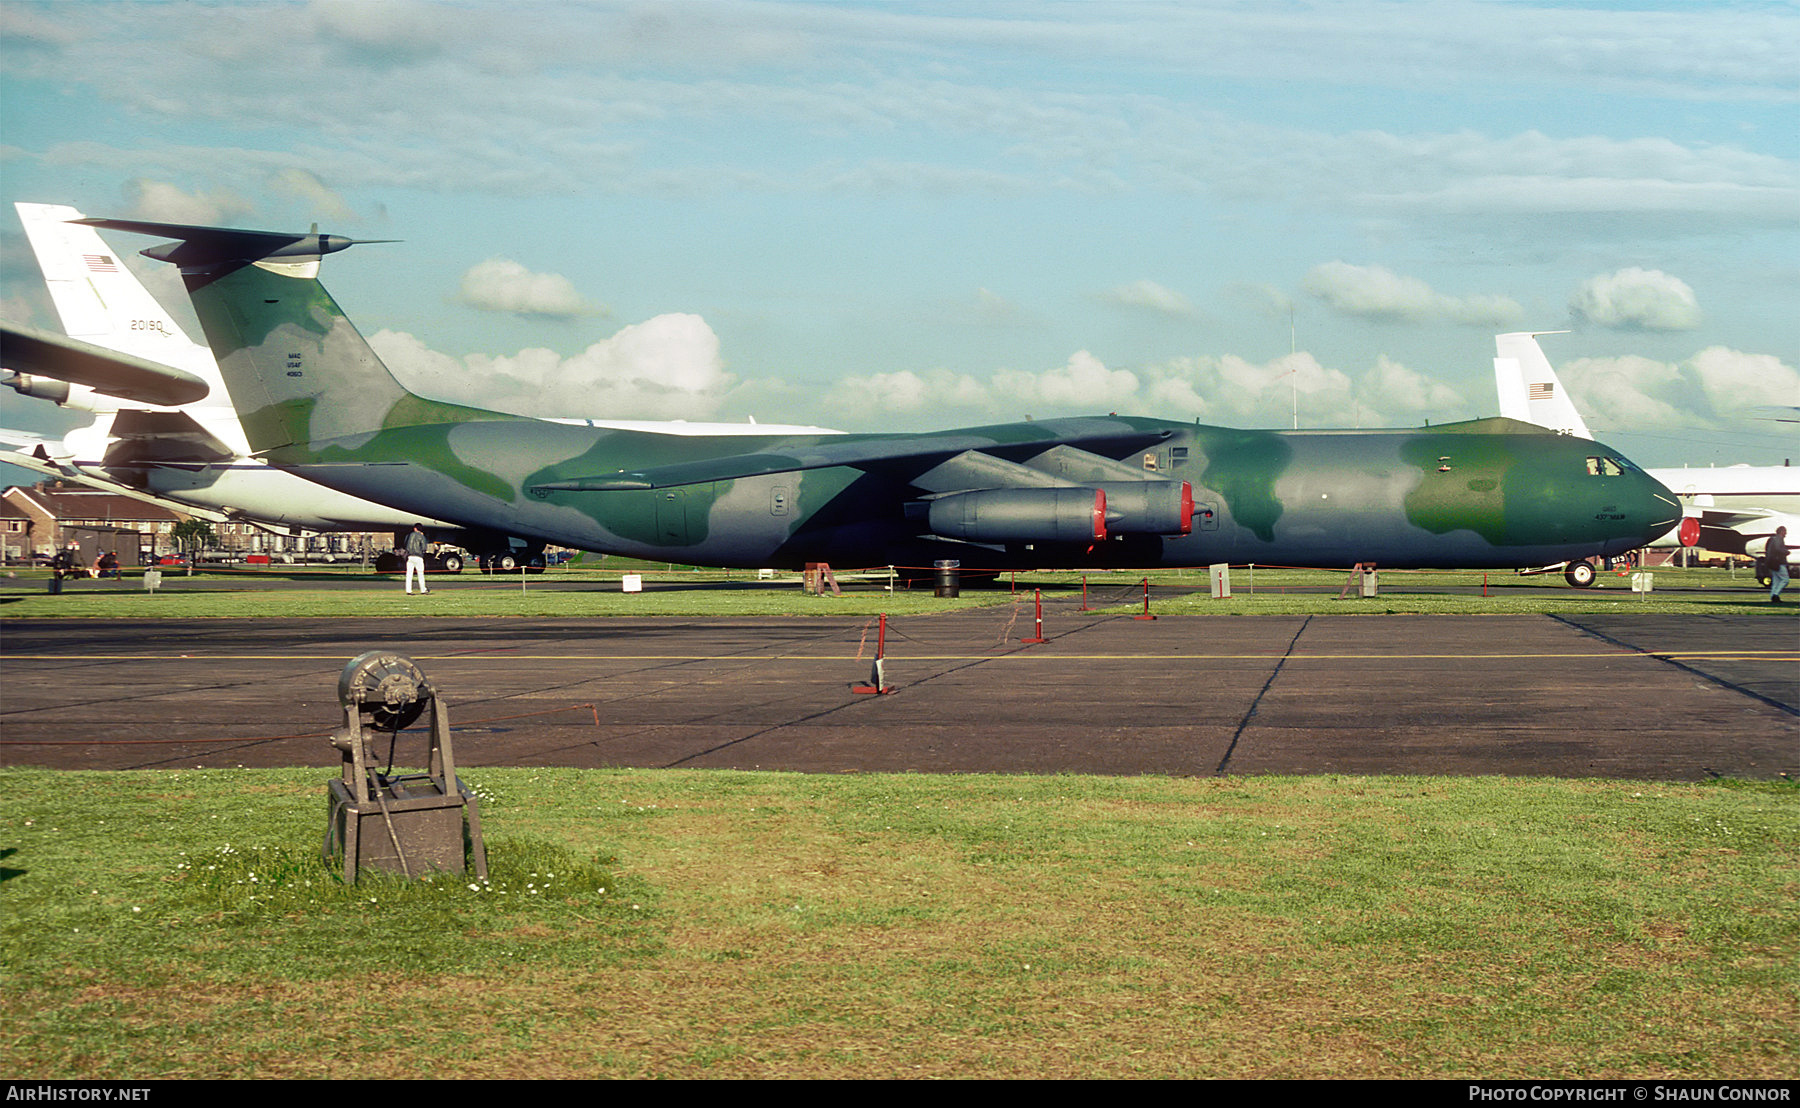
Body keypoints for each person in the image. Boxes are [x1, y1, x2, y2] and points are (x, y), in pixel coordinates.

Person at [1766, 525, 1789, 604]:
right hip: (1779, 562)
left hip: (1772, 563)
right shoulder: (1779, 539)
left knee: (1776, 581)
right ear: (1781, 532)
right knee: (1785, 580)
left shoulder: (1772, 539)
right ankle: (1776, 595)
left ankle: (1773, 595)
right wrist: (1786, 552)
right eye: (1785, 531)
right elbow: (1778, 549)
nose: (1786, 533)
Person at [404, 523, 430, 595]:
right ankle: (423, 589)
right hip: (418, 556)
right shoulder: (421, 536)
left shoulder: (408, 535)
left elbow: (405, 544)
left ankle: (408, 590)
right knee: (420, 574)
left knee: (409, 574)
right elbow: (424, 547)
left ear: (415, 528)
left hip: (410, 556)